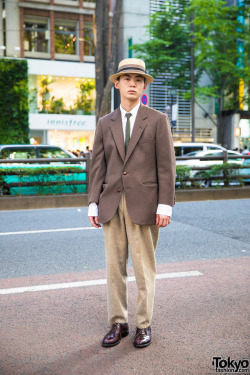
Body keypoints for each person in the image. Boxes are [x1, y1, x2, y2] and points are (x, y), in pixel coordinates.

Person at [88, 58, 176, 349]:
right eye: (127, 79)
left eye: (138, 80)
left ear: (144, 85)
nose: (133, 84)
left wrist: (165, 205)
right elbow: (98, 166)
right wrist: (92, 203)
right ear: (117, 84)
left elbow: (166, 166)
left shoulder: (157, 120)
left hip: (146, 205)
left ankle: (143, 325)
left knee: (143, 268)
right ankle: (118, 323)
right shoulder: (105, 123)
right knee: (114, 268)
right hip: (110, 203)